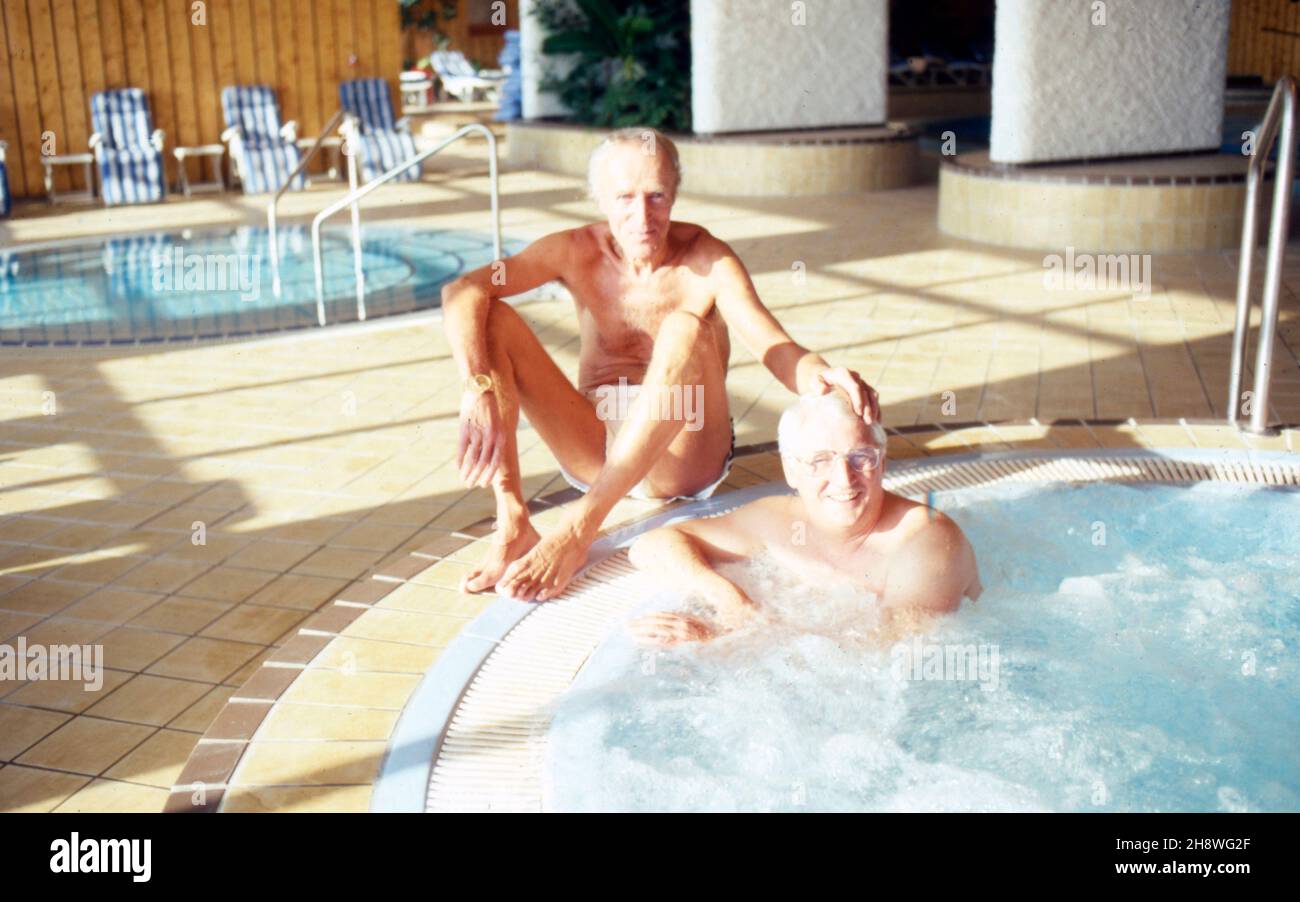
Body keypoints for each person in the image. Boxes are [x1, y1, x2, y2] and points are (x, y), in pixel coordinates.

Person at [442, 127, 879, 601]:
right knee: (489, 318)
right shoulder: (573, 251)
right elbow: (462, 289)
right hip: (597, 448)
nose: (642, 217)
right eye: (625, 198)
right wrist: (479, 386)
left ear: (674, 195)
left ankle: (579, 528)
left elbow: (772, 344)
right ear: (599, 198)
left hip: (685, 451)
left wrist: (820, 373)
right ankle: (513, 523)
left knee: (684, 329)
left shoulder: (708, 259)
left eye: (656, 196)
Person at [626, 393, 982, 646]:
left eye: (861, 458)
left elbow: (886, 659)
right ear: (791, 470)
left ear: (883, 462)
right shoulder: (776, 519)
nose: (844, 479)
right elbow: (651, 546)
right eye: (821, 461)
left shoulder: (925, 542)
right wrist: (726, 597)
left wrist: (721, 640)